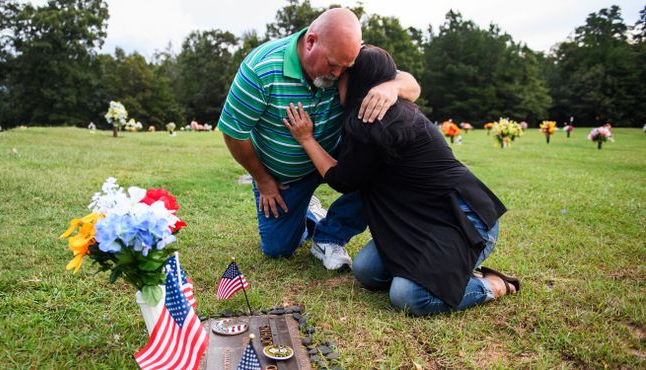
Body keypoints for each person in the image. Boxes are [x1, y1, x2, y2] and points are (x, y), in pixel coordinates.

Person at [283, 45, 519, 315]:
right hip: (416, 222)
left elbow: (342, 180)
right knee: (366, 270)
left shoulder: (373, 122)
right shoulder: (384, 109)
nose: (336, 83)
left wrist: (306, 139)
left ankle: (493, 285)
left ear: (357, 80)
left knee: (408, 296)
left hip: (463, 220)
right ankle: (441, 273)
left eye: (341, 77)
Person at [217, 8, 420, 270]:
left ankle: (329, 235)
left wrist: (392, 86)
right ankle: (309, 211)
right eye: (333, 65)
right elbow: (234, 133)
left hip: (335, 153)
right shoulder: (261, 68)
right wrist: (264, 180)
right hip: (283, 176)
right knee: (278, 249)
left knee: (382, 169)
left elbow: (411, 84)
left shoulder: (348, 55)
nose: (338, 74)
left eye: (345, 68)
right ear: (311, 41)